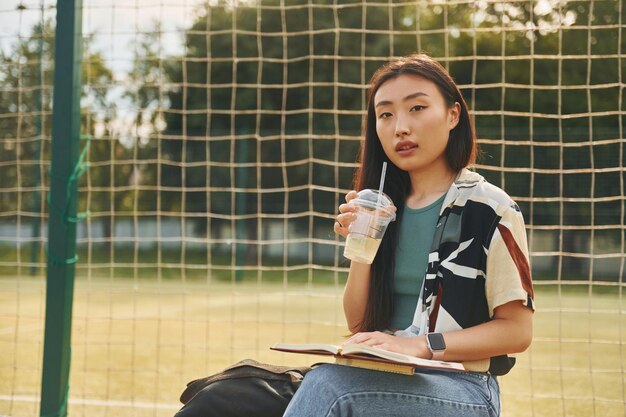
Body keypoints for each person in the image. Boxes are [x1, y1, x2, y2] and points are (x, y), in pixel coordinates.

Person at [282, 54, 535, 417]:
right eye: (385, 114)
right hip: (379, 375)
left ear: (453, 115)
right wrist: (362, 247)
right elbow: (358, 324)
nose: (400, 126)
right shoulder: (382, 207)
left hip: (462, 386)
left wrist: (422, 345)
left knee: (330, 388)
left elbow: (517, 331)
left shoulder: (491, 208)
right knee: (234, 395)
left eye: (416, 107)